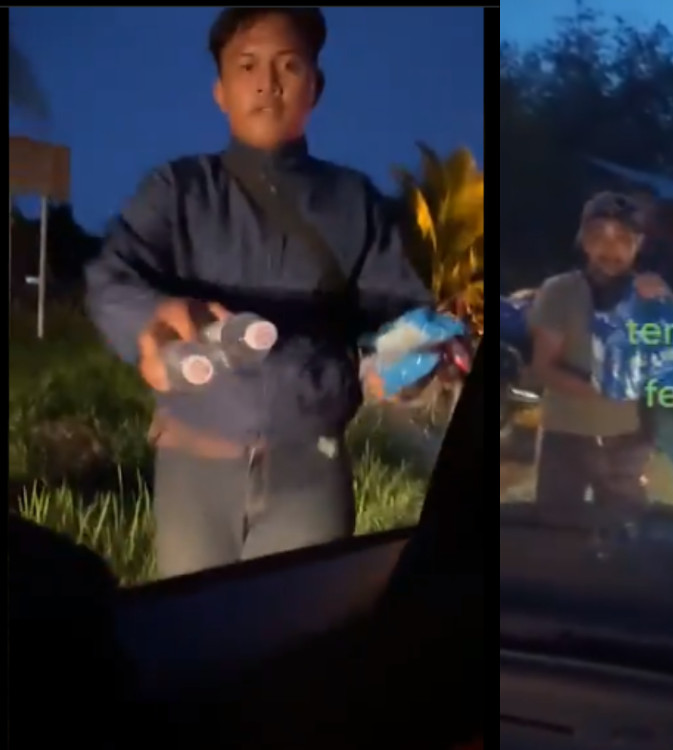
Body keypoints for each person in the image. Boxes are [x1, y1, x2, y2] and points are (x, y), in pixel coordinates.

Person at [85, 8, 440, 578]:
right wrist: (152, 319)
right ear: (220, 91)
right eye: (246, 65)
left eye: (289, 66)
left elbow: (395, 313)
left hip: (310, 472)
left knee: (295, 641)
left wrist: (412, 360)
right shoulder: (177, 190)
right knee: (196, 640)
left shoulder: (355, 201)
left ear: (315, 88)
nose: (266, 82)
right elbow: (111, 277)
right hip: (193, 465)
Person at [528, 192, 671, 522]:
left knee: (626, 533)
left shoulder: (651, 296)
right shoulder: (560, 291)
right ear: (584, 241)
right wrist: (604, 389)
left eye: (623, 238)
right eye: (598, 237)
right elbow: (544, 367)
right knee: (557, 532)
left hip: (627, 439)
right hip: (565, 434)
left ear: (639, 243)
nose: (611, 249)